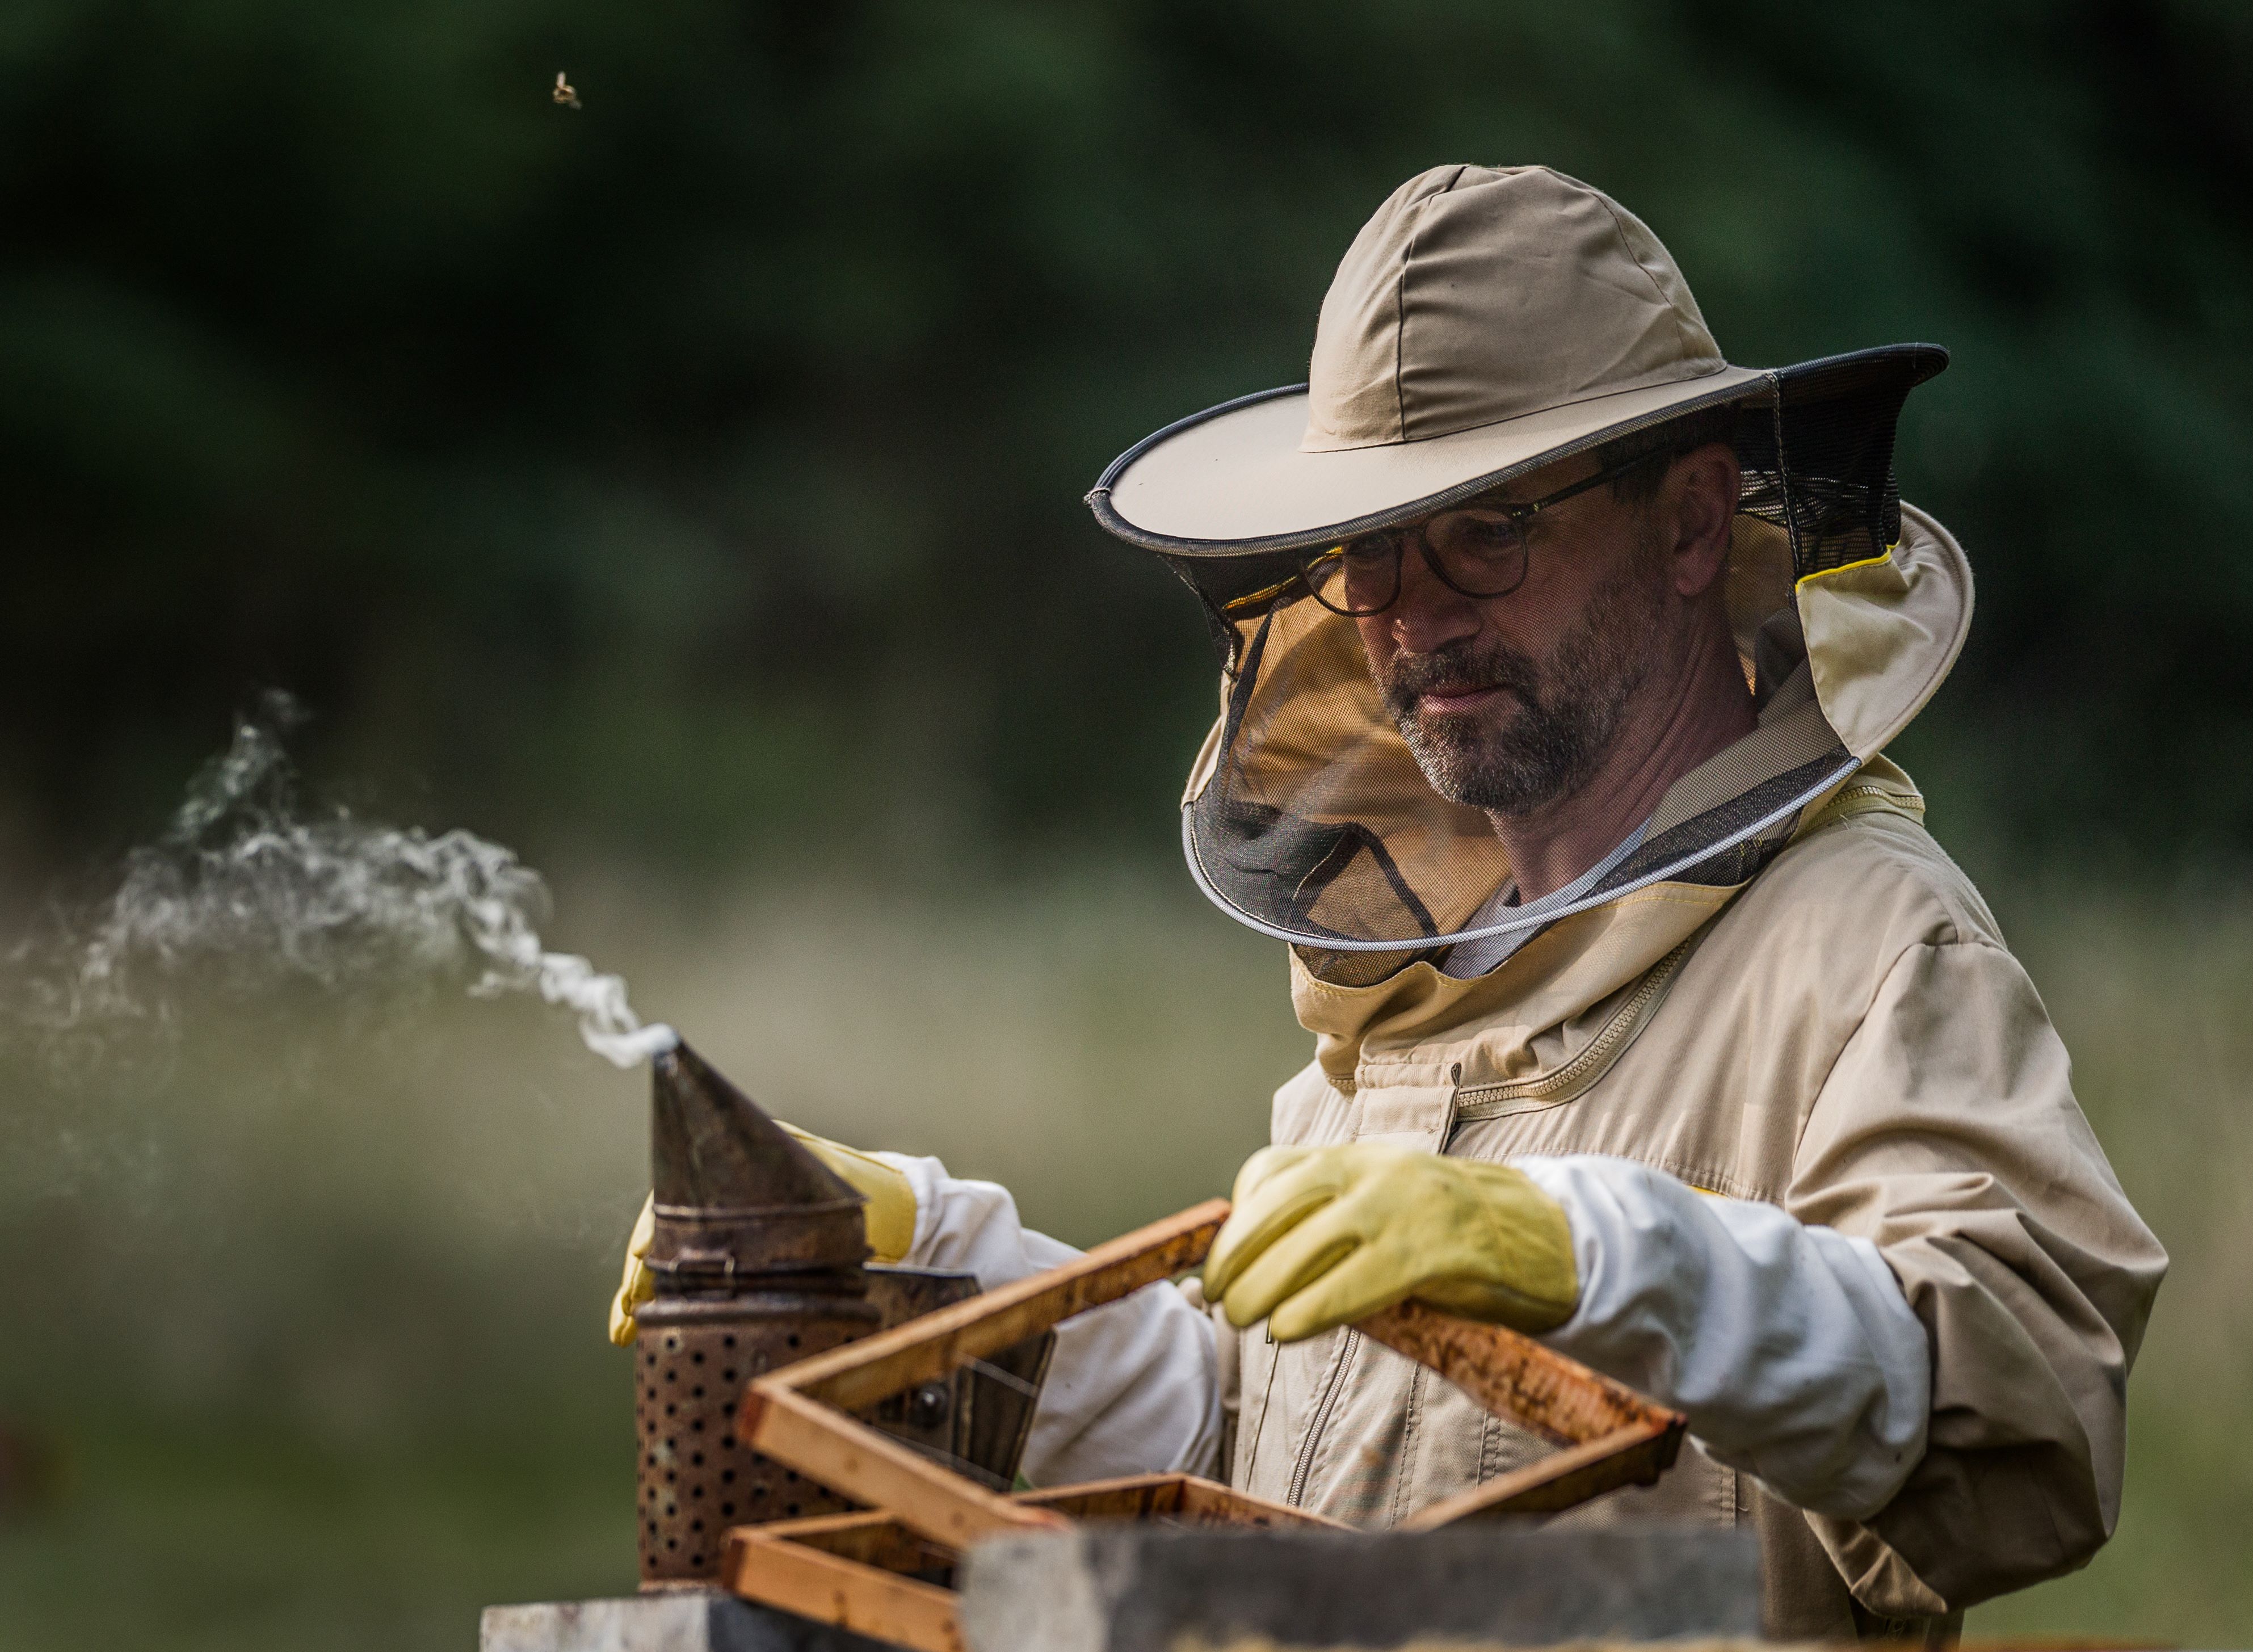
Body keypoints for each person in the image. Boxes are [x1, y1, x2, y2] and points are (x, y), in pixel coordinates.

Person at [612, 165, 2167, 1643]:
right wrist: (937, 1266)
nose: (1410, 617)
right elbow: (1279, 1451)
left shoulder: (1867, 943)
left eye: (1486, 533)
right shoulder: (1416, 991)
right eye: (1367, 552)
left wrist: (1592, 1253)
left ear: (1694, 523)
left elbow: (2023, 1412)